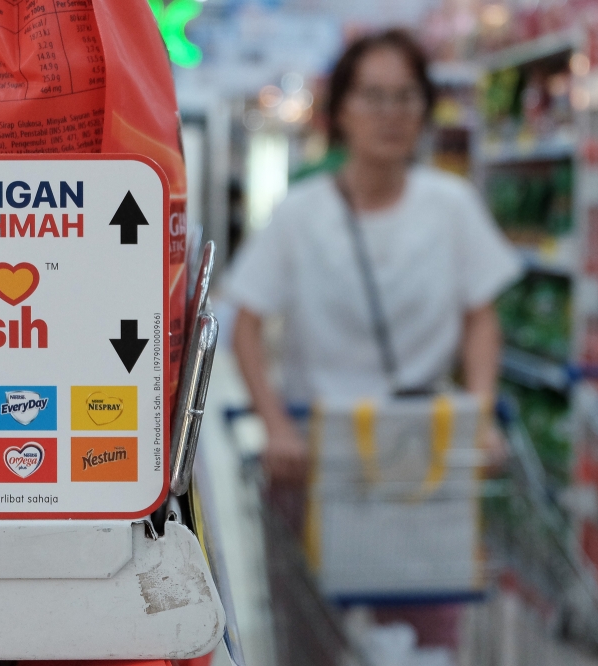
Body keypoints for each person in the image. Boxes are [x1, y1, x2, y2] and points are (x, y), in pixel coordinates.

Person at [223, 29, 523, 648]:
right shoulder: (301, 213)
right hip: (319, 456)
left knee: (428, 630)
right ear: (341, 111)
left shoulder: (452, 206)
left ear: (425, 109)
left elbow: (481, 316)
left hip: (423, 451)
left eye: (406, 97)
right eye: (373, 96)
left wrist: (480, 411)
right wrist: (275, 425)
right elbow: (243, 323)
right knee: (313, 637)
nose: (391, 114)